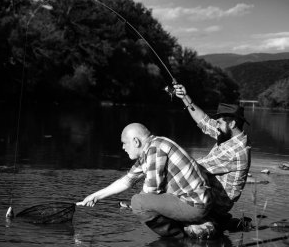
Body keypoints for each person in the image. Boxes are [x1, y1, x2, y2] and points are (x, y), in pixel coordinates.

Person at [77, 123, 214, 238]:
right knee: (140, 201)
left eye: (124, 143)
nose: (123, 148)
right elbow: (127, 181)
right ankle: (189, 227)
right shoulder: (151, 149)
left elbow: (152, 190)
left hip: (193, 204)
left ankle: (177, 237)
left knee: (138, 202)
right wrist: (95, 196)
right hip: (196, 202)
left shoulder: (155, 149)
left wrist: (134, 205)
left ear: (136, 141)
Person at [173, 83, 251, 227]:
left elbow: (194, 167)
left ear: (232, 124)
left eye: (219, 123)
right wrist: (185, 97)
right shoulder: (230, 135)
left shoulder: (235, 150)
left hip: (215, 206)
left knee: (172, 183)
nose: (216, 125)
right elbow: (204, 121)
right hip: (210, 193)